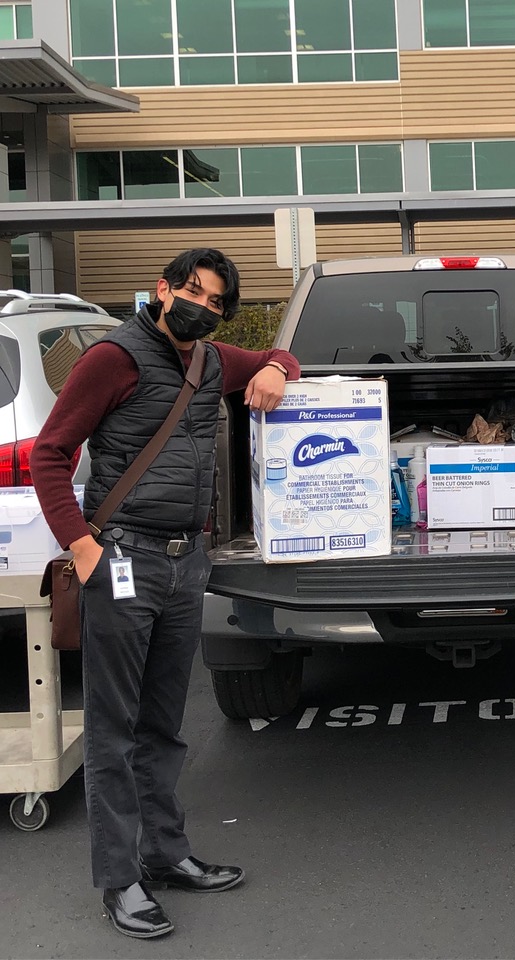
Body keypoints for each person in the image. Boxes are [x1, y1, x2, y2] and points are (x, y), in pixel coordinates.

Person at [30, 249, 300, 939]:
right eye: (194, 294)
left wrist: (276, 368)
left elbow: (278, 356)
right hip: (121, 558)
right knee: (114, 731)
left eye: (216, 304)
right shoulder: (111, 360)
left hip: (186, 564)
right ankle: (120, 880)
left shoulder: (209, 361)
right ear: (162, 289)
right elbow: (50, 454)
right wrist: (82, 547)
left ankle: (165, 852)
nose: (202, 308)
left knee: (163, 725)